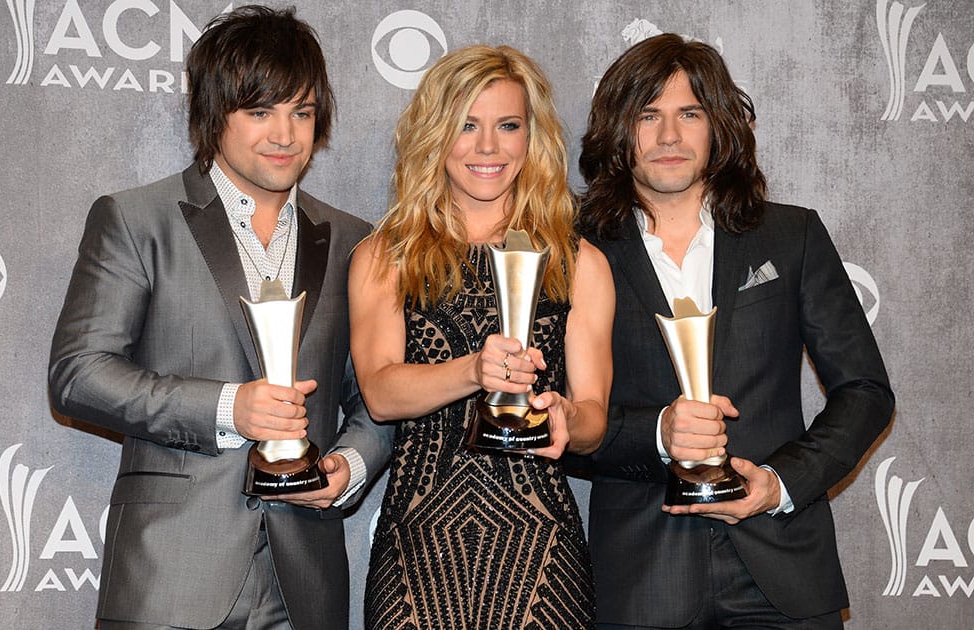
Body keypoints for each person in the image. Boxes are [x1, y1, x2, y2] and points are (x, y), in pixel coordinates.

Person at [48, 6, 392, 629]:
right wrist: (231, 408)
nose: (284, 135)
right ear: (213, 114)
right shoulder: (137, 220)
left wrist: (350, 466)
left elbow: (376, 394)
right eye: (259, 111)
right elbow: (78, 373)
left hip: (304, 584)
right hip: (170, 576)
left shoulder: (353, 242)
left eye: (302, 112)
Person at [576, 33, 895, 629]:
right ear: (618, 132)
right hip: (642, 578)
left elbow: (865, 392)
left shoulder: (790, 236)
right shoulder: (576, 254)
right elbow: (563, 420)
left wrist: (779, 483)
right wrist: (661, 434)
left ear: (718, 126)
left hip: (784, 570)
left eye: (689, 113)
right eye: (648, 115)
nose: (669, 136)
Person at [349, 45, 614, 628]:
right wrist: (473, 370)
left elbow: (594, 418)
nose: (488, 147)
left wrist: (569, 415)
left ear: (532, 137)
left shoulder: (579, 262)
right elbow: (380, 392)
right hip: (417, 548)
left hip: (541, 548)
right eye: (466, 125)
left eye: (508, 126)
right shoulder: (386, 255)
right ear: (436, 135)